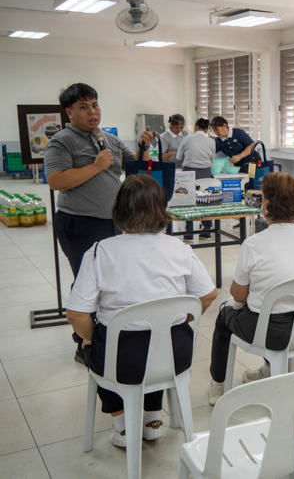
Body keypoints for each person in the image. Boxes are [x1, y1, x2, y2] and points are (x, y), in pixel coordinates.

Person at [65, 174, 217, 448]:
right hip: (176, 354)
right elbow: (208, 295)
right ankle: (153, 420)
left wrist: (89, 339)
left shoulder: (100, 251)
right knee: (156, 341)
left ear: (118, 210)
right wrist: (182, 318)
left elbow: (77, 314)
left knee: (96, 344)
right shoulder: (179, 248)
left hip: (123, 360)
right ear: (162, 210)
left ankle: (123, 428)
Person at [44, 82, 152, 365]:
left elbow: (134, 168)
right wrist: (94, 166)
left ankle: (107, 333)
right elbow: (55, 180)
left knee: (110, 281)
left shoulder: (109, 139)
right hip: (79, 223)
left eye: (95, 105)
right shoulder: (62, 140)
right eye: (83, 107)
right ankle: (84, 344)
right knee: (87, 281)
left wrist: (143, 148)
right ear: (69, 112)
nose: (92, 112)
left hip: (115, 222)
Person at [208, 172, 294, 404]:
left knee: (225, 316)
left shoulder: (253, 244)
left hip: (272, 334)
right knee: (265, 311)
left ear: (266, 204)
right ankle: (268, 368)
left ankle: (218, 383)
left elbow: (238, 296)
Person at [176, 118, 216, 241]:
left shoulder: (186, 139)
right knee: (206, 201)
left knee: (188, 202)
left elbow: (178, 157)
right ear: (206, 129)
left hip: (188, 172)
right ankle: (207, 231)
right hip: (205, 173)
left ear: (195, 127)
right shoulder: (211, 141)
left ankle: (189, 233)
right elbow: (212, 160)